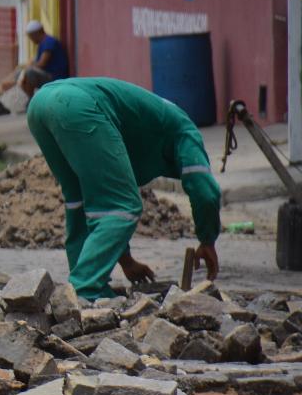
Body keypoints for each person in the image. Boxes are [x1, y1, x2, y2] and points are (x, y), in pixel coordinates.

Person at [26, 77, 221, 301]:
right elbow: (205, 192)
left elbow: (100, 201)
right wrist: (207, 240)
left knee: (78, 200)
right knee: (123, 205)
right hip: (78, 105)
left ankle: (77, 291)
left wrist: (126, 262)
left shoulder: (152, 126)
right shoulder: (185, 132)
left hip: (41, 103)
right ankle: (85, 289)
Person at [0, 20, 70, 98]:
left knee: (29, 73)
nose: (31, 40)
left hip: (56, 77)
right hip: (48, 75)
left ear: (36, 34)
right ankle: (29, 97)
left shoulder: (49, 42)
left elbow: (42, 64)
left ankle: (30, 98)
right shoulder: (43, 43)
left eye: (31, 37)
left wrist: (28, 67)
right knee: (20, 72)